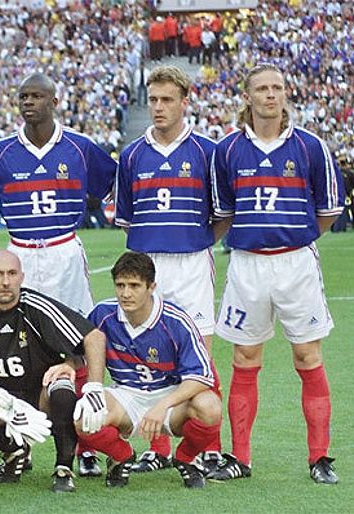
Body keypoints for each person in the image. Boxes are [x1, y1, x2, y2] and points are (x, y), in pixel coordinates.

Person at [208, 63, 343, 485]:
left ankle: (319, 457)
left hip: (296, 263)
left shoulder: (310, 147)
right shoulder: (228, 150)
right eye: (262, 89)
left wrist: (292, 237)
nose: (271, 94)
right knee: (246, 359)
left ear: (286, 94)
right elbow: (224, 212)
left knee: (308, 356)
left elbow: (328, 211)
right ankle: (241, 457)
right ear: (247, 97)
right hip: (247, 264)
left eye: (278, 88)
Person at [114, 65, 223, 474]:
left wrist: (195, 240)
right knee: (149, 354)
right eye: (153, 100)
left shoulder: (207, 152)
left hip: (192, 261)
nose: (158, 107)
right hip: (147, 264)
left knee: (201, 358)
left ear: (184, 103)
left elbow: (221, 215)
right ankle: (156, 449)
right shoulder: (131, 155)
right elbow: (126, 217)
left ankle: (207, 449)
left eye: (167, 100)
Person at [0, 250, 105, 493]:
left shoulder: (37, 307)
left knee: (62, 388)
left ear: (21, 277)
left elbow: (93, 338)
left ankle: (63, 468)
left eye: (12, 274)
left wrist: (90, 384)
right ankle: (12, 450)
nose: (5, 282)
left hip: (39, 395)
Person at [75, 252, 221, 489]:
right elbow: (79, 351)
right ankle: (122, 457)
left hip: (170, 399)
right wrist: (66, 365)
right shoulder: (103, 314)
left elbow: (202, 377)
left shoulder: (176, 320)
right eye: (120, 285)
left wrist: (161, 406)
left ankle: (185, 459)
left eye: (134, 286)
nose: (125, 293)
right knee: (84, 417)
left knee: (210, 406)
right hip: (126, 395)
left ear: (151, 287)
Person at [0, 73, 116, 317]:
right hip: (19, 251)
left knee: (76, 330)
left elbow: (115, 188)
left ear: (54, 102)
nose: (28, 102)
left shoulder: (80, 146)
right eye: (23, 97)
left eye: (37, 96)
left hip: (64, 249)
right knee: (21, 332)